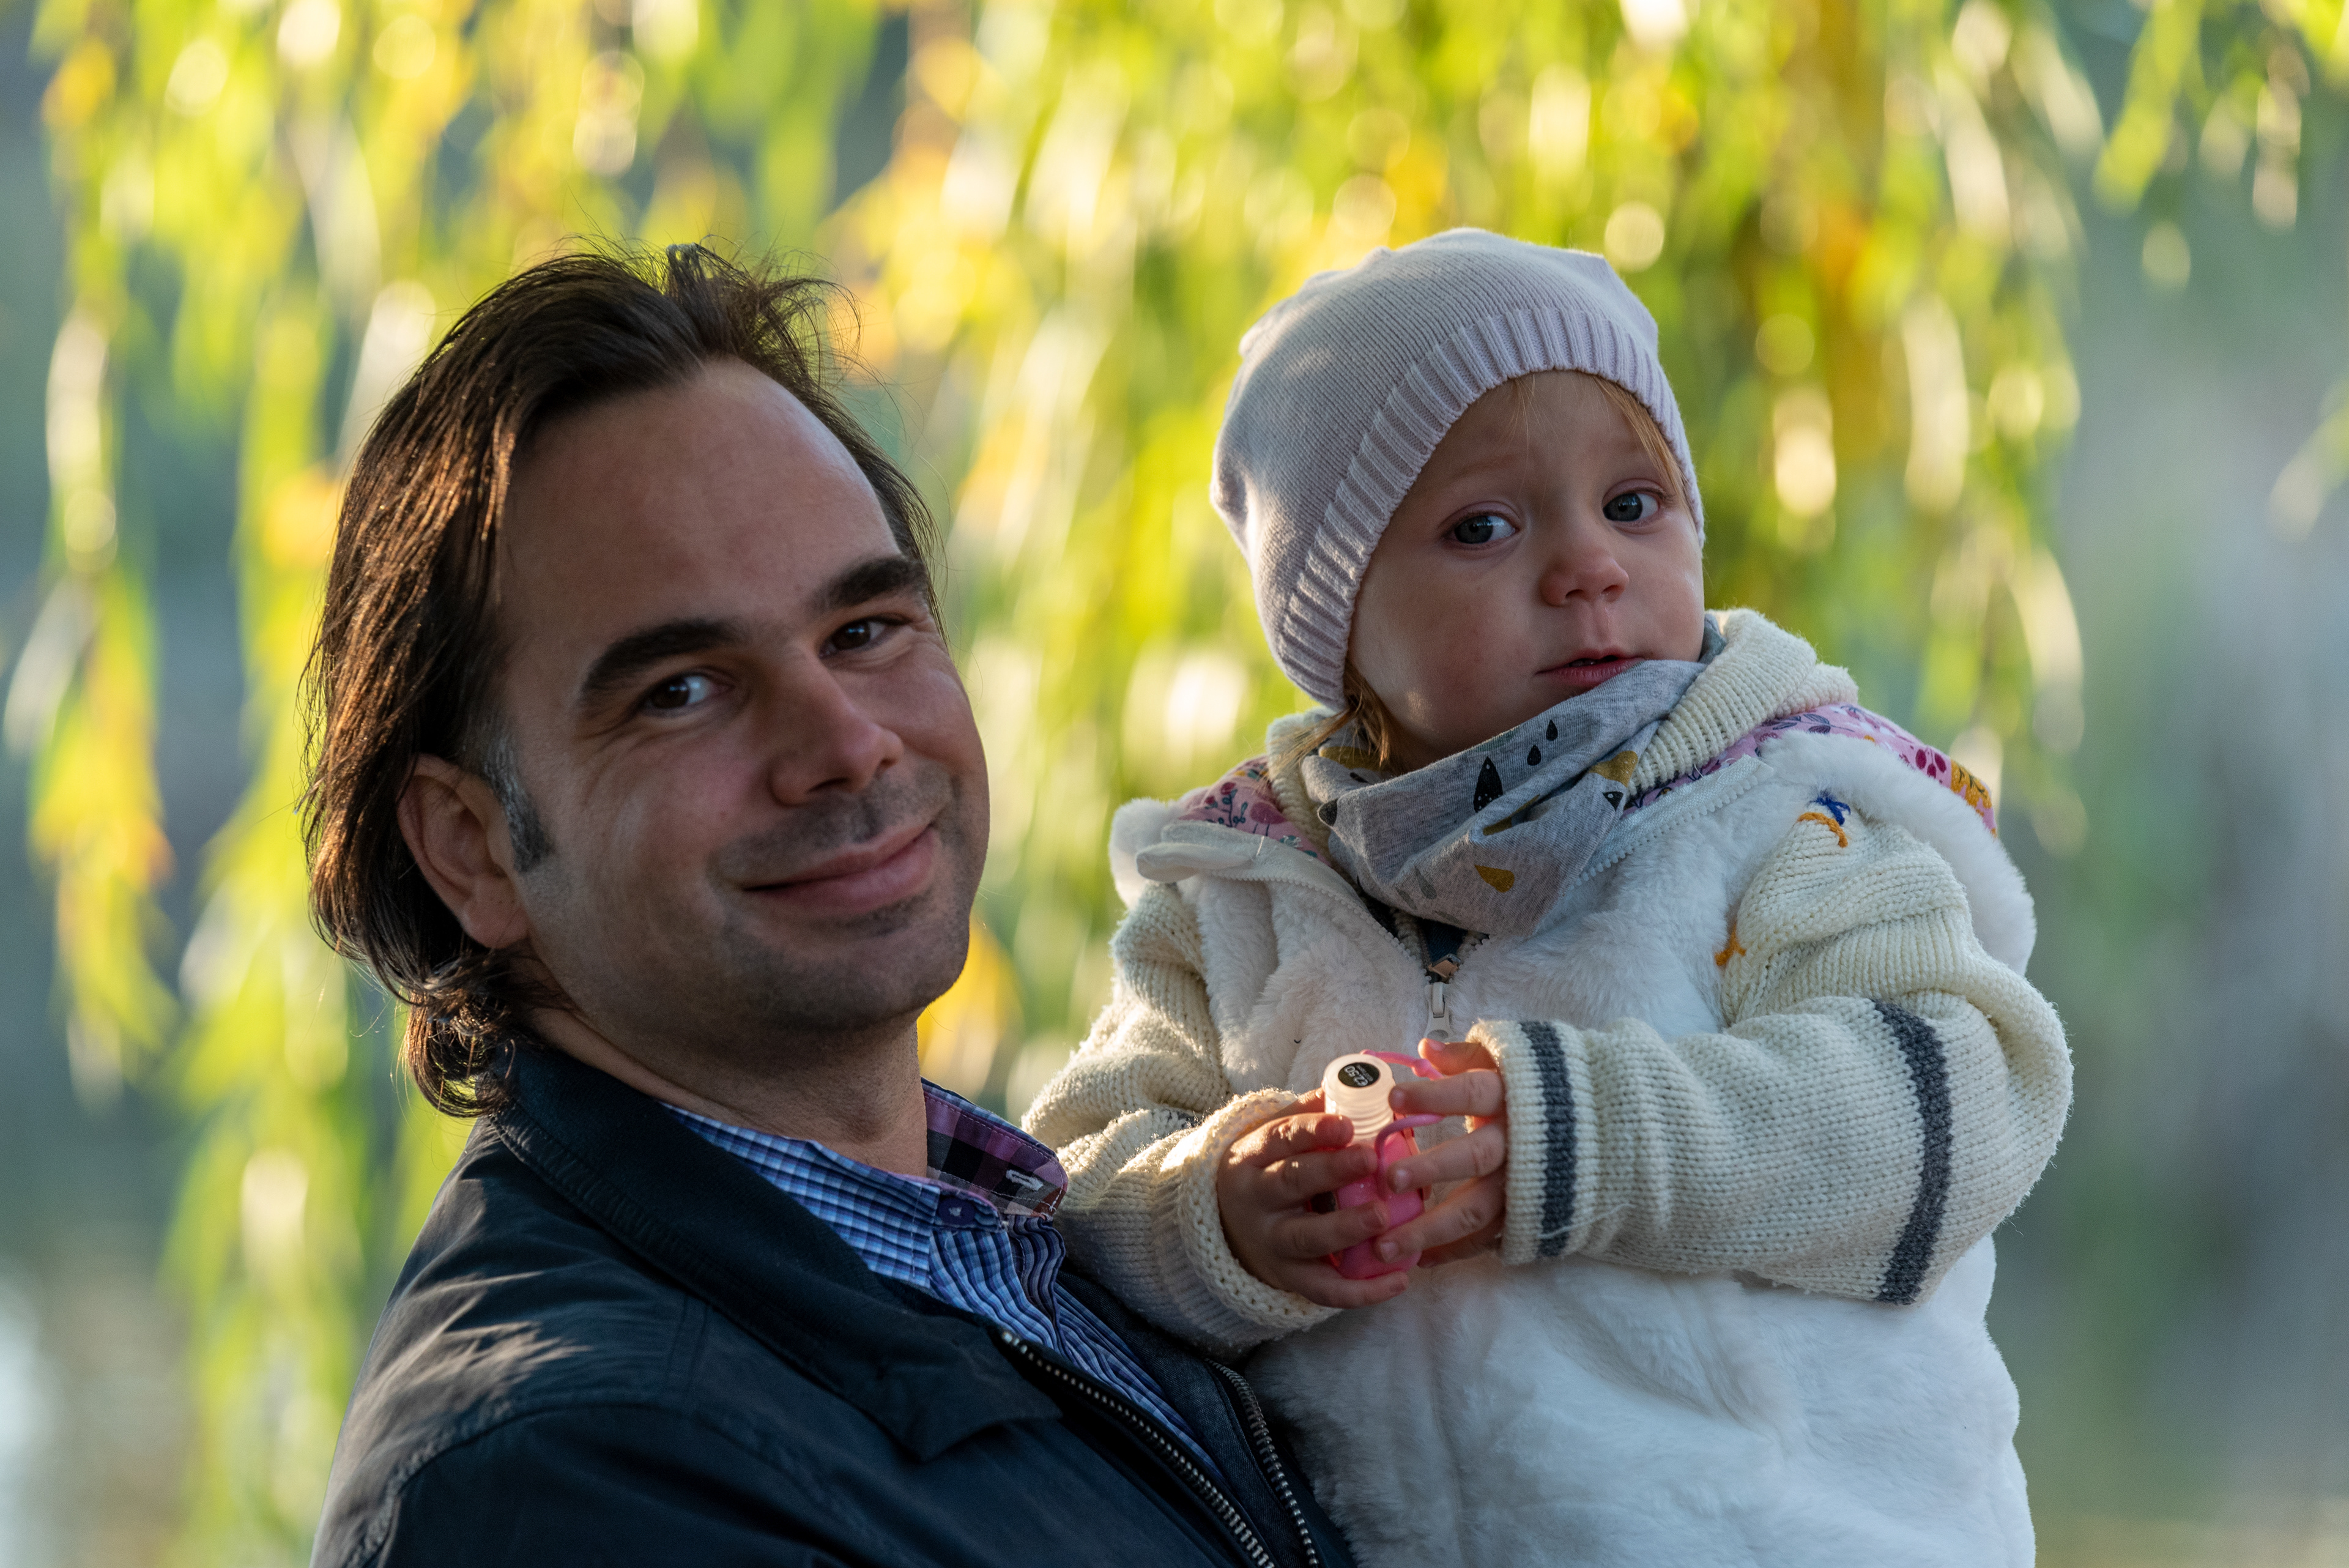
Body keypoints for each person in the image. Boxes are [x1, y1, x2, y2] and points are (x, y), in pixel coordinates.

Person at [1025, 229, 2073, 1567]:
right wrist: (1215, 1210)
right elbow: (1063, 1190)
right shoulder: (1238, 892)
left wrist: (1572, 1139)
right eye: (1484, 526)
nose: (1589, 564)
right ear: (1338, 626)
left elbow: (1953, 1108)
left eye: (1634, 504)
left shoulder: (1785, 810)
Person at [303, 245, 1354, 1568]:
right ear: (472, 850)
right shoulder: (572, 1477)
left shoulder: (1057, 1248)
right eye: (681, 690)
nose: (848, 745)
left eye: (864, 630)